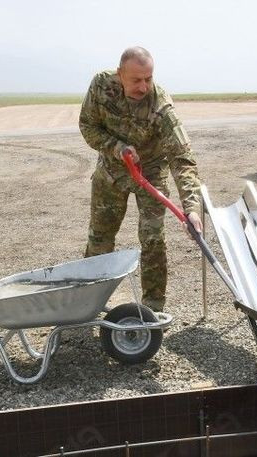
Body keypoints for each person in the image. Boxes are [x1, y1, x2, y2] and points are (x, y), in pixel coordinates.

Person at [79, 46, 203, 312]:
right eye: (136, 80)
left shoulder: (161, 106)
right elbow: (88, 126)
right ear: (119, 73)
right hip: (112, 171)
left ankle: (153, 308)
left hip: (151, 172)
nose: (143, 86)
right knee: (100, 237)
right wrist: (116, 146)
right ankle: (88, 302)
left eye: (148, 78)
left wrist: (192, 209)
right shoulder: (101, 86)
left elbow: (183, 160)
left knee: (153, 239)